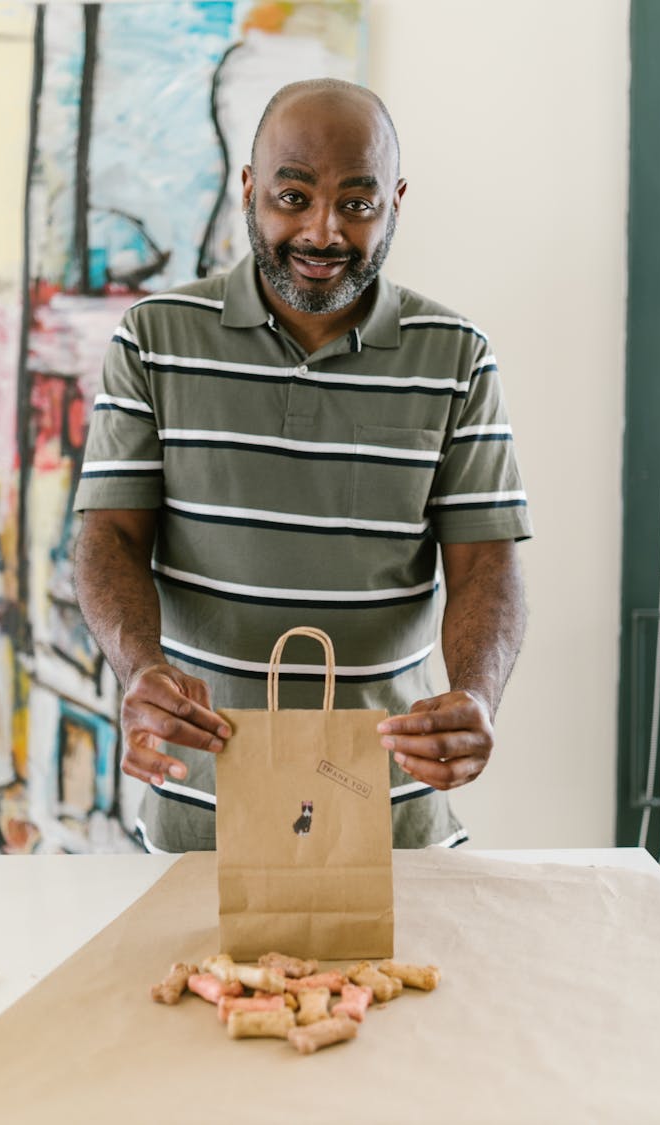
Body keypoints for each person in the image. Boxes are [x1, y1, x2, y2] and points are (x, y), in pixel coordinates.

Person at [73, 78, 531, 854]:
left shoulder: (457, 357)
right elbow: (107, 536)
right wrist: (139, 667)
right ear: (249, 191)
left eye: (358, 203)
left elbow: (487, 560)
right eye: (293, 196)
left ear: (396, 200)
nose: (323, 232)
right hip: (202, 820)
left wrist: (476, 695)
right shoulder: (154, 338)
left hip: (395, 822)